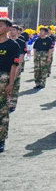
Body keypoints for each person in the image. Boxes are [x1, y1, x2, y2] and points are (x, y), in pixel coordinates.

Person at [0, 17, 22, 153]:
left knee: (2, 110)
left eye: (1, 25)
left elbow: (14, 66)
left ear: (8, 28)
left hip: (4, 78)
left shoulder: (13, 45)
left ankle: (1, 139)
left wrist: (11, 83)